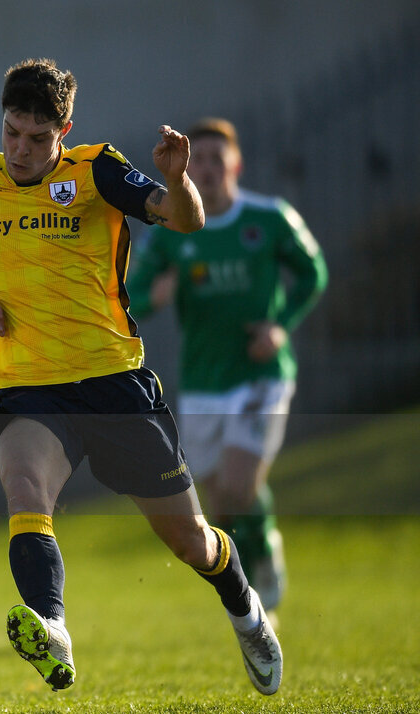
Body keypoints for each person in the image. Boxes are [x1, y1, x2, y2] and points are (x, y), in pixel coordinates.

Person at [0, 59, 283, 696]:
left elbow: (184, 218)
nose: (21, 150)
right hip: (26, 385)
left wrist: (177, 179)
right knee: (25, 491)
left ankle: (245, 611)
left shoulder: (97, 169)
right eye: (12, 132)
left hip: (113, 384)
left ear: (65, 131)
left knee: (191, 541)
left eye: (37, 138)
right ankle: (51, 627)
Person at [127, 117, 328, 617]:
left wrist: (279, 326)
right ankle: (261, 550)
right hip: (203, 382)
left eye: (219, 158)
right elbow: (131, 297)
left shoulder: (270, 217)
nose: (209, 168)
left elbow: (312, 272)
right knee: (223, 507)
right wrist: (156, 293)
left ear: (236, 165)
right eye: (200, 159)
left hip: (261, 375)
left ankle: (260, 582)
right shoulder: (171, 231)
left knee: (238, 487)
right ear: (187, 168)